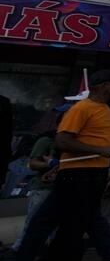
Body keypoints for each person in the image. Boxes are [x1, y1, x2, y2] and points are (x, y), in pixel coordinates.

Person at [31, 70, 110, 261]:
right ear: (101, 86)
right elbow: (62, 141)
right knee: (71, 229)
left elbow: (100, 134)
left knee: (74, 229)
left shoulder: (105, 109)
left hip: (95, 176)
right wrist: (99, 150)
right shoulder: (81, 108)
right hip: (78, 176)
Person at [12, 103, 66, 252]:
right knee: (34, 221)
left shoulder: (72, 143)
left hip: (62, 187)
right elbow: (33, 163)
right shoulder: (47, 140)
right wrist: (52, 164)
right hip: (43, 188)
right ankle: (21, 250)